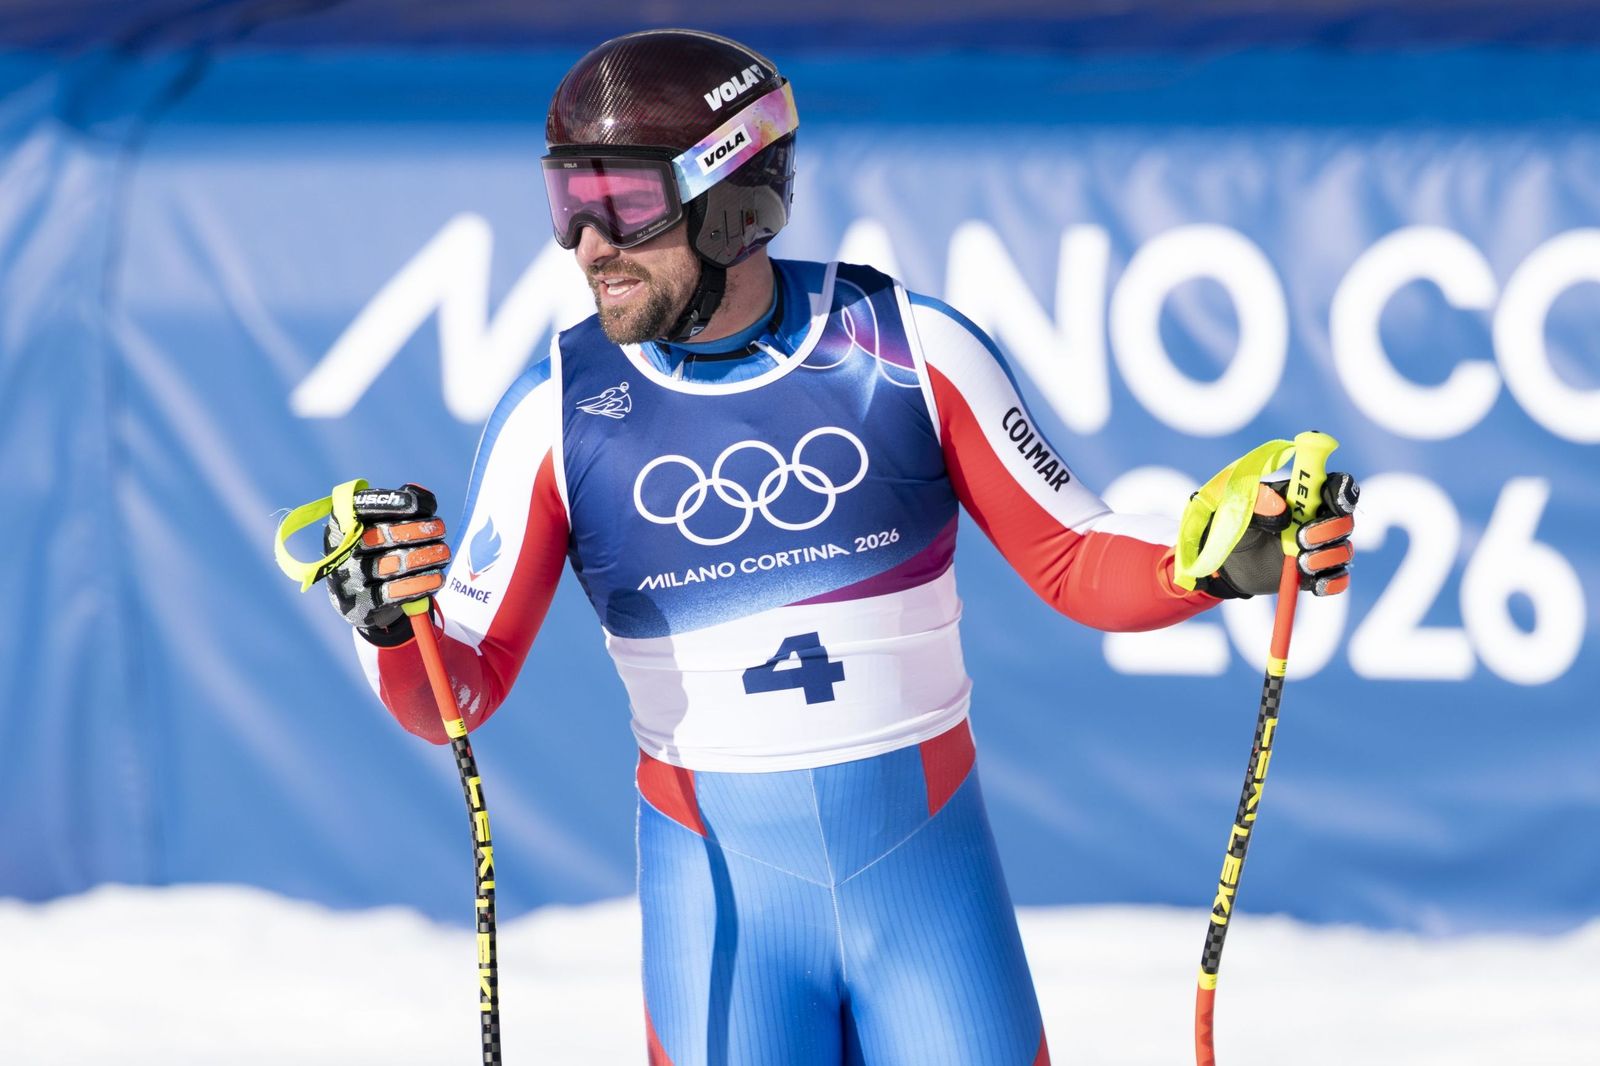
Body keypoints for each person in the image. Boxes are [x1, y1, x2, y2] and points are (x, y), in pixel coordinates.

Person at [323, 28, 1358, 1066]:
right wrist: (386, 618)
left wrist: (1217, 562)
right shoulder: (554, 411)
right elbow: (455, 692)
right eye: (568, 203)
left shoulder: (903, 347)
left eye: (625, 204)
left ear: (735, 198)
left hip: (927, 900)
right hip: (722, 918)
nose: (587, 245)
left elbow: (1073, 557)